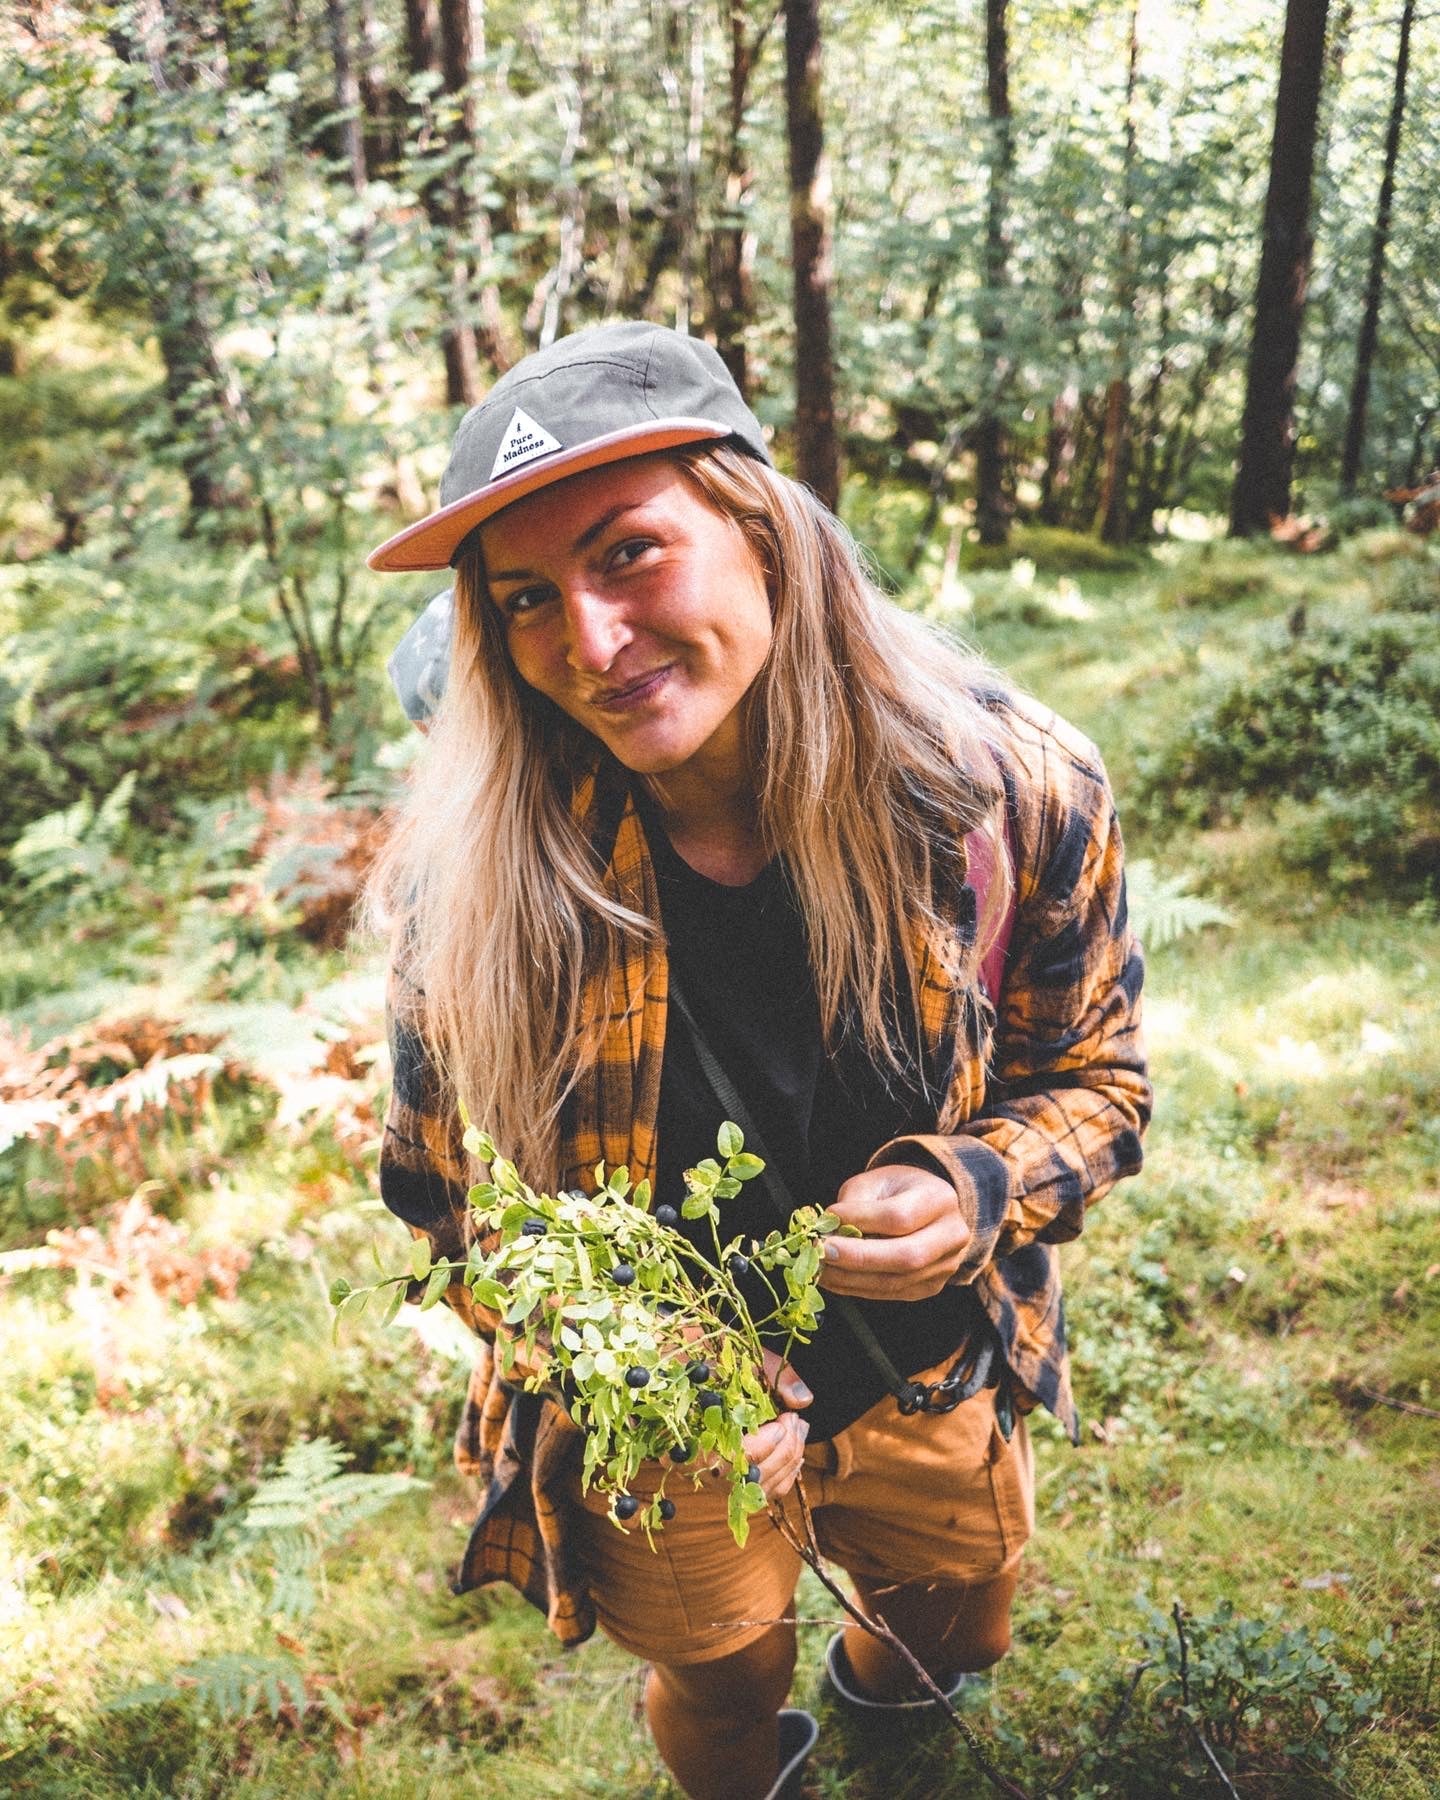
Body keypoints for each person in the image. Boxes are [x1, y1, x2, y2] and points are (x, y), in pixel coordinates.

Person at [365, 321, 1151, 1800]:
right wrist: (639, 1351)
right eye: (527, 598)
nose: (589, 645)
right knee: (720, 1675)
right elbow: (443, 1210)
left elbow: (1101, 1082)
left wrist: (978, 1180)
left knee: (953, 1622)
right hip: (662, 1424)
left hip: (925, 1364)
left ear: (761, 530)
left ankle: (893, 1730)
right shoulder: (466, 888)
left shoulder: (1012, 790)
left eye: (629, 556)